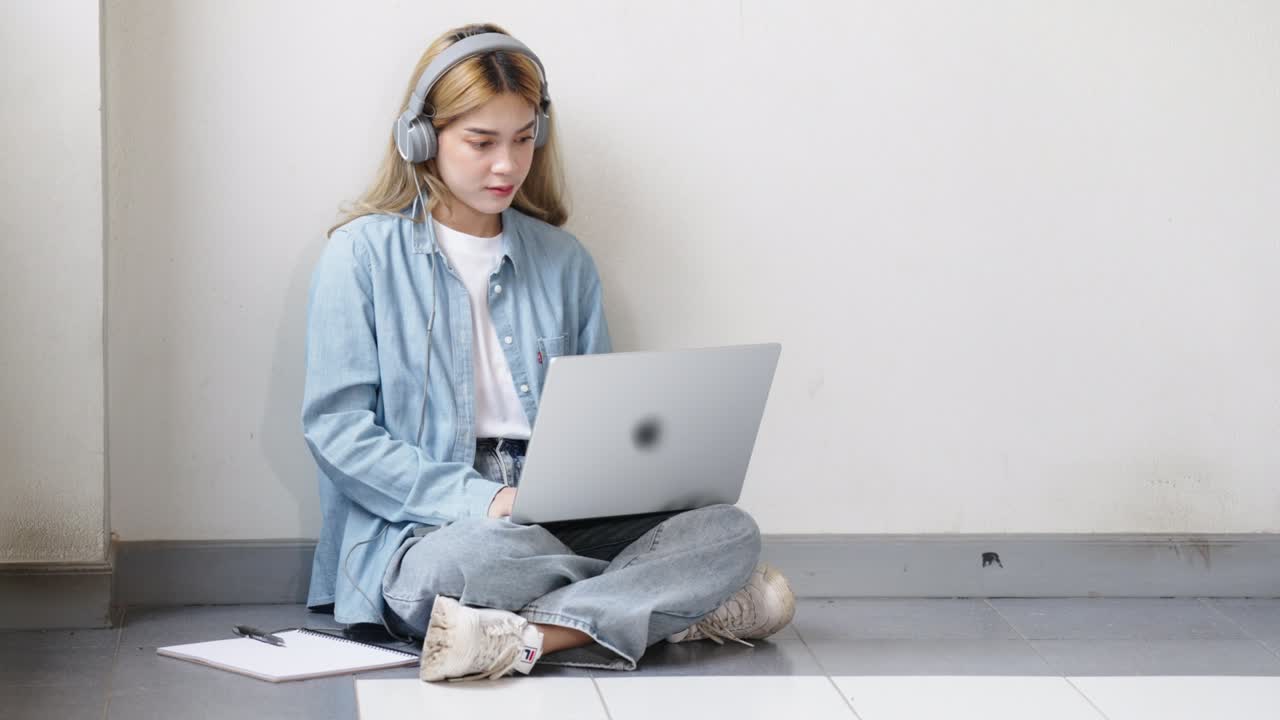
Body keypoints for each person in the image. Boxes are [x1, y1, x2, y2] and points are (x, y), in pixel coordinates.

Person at [300, 22, 795, 683]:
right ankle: (661, 605)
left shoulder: (565, 262)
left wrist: (602, 489)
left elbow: (606, 427)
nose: (507, 164)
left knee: (728, 531)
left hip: (558, 506)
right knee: (454, 567)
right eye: (482, 142)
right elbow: (338, 432)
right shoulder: (359, 256)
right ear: (421, 137)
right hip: (433, 526)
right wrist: (485, 501)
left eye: (523, 138)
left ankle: (527, 637)